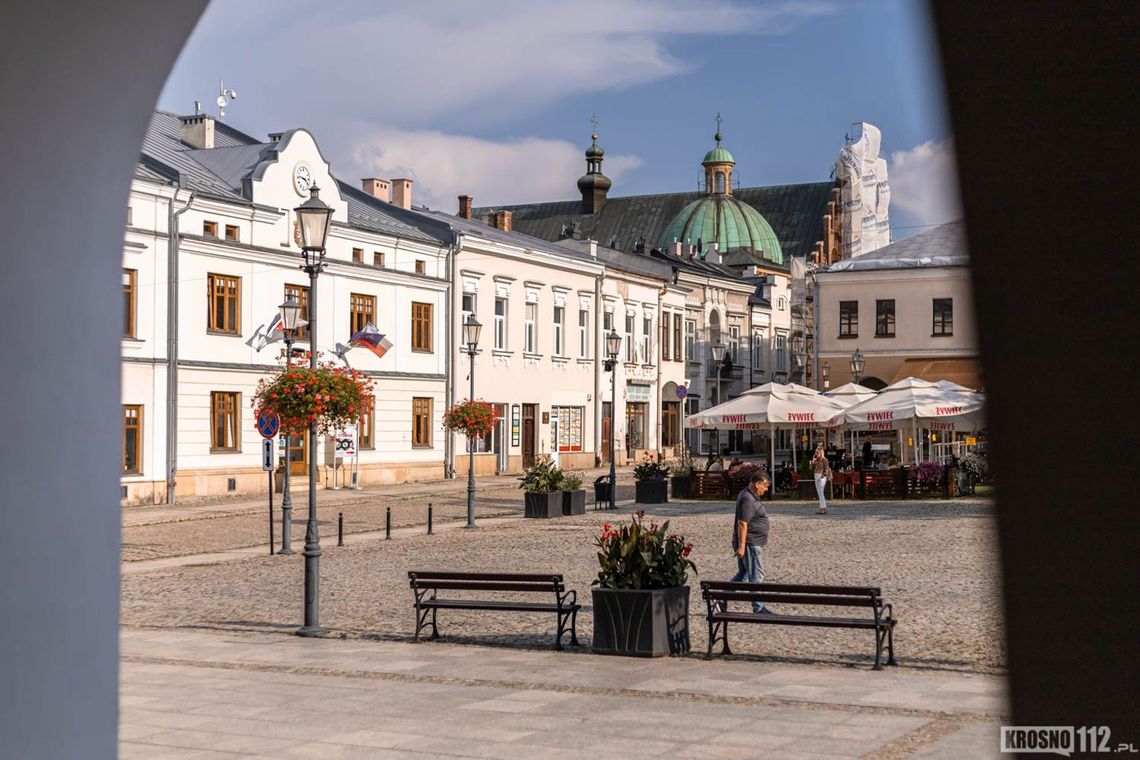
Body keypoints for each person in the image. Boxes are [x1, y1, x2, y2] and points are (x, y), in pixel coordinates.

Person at [726, 471, 775, 614]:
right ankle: (758, 607)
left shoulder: (747, 494)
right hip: (750, 543)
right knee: (757, 575)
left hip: (750, 542)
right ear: (757, 484)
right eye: (765, 486)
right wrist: (741, 546)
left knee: (744, 574)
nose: (766, 490)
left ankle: (721, 599)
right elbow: (742, 524)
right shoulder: (748, 499)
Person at [811, 444, 832, 514]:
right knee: (819, 492)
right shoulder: (816, 460)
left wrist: (824, 475)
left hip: (821, 476)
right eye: (815, 452)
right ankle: (823, 507)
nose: (816, 453)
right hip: (816, 475)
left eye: (817, 452)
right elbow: (811, 469)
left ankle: (822, 508)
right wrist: (813, 462)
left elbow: (827, 468)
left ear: (820, 452)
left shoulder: (824, 460)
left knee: (820, 492)